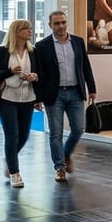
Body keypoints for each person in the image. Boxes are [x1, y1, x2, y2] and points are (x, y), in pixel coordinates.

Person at [33, 10, 97, 183]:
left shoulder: (77, 41)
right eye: (56, 23)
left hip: (76, 92)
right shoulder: (42, 46)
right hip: (54, 95)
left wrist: (92, 88)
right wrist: (38, 98)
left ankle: (66, 154)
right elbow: (39, 74)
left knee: (78, 129)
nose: (61, 26)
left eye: (63, 22)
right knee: (56, 133)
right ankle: (60, 167)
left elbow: (85, 66)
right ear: (50, 25)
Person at [0, 20, 41, 188]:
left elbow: (39, 71)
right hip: (7, 98)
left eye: (30, 28)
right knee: (12, 135)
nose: (30, 31)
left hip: (28, 98)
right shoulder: (2, 51)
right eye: (26, 29)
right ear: (17, 31)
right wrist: (10, 72)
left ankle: (9, 158)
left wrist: (35, 76)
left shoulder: (33, 51)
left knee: (24, 136)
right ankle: (15, 173)